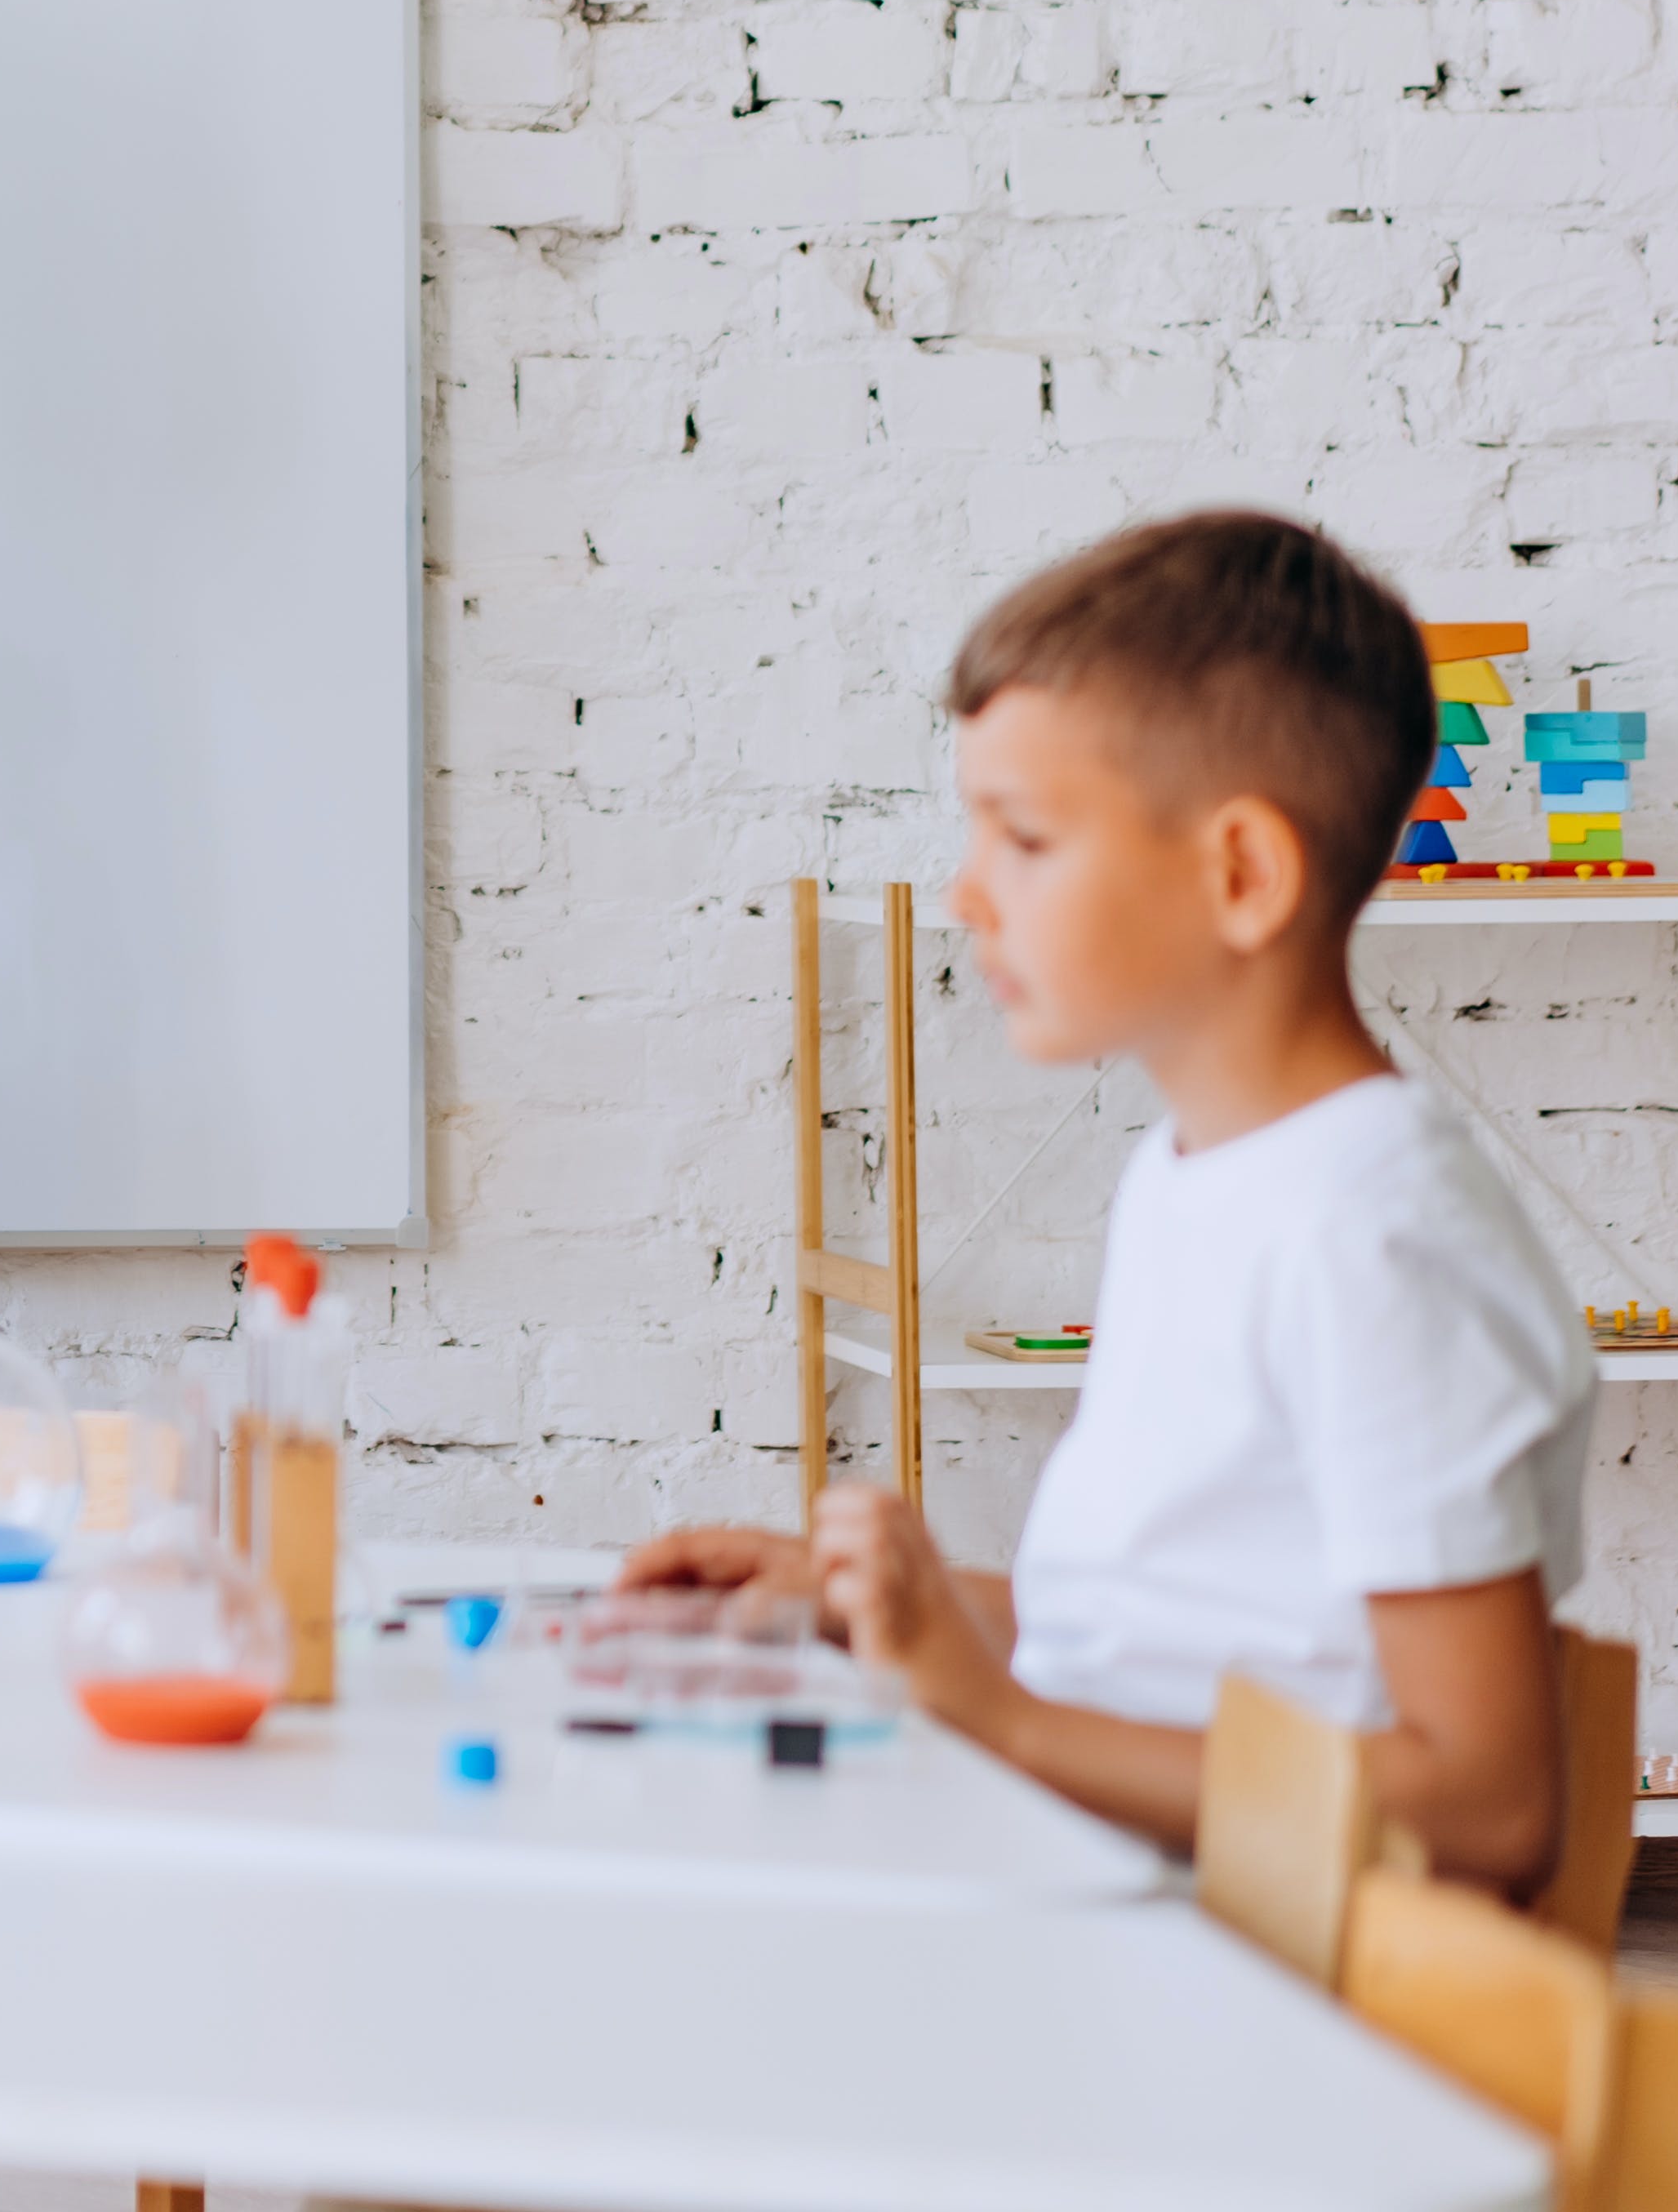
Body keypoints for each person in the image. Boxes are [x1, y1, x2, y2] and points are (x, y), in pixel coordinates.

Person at [631, 511, 1592, 1887]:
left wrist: (1001, 1717)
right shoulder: (1200, 1174)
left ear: (1243, 876)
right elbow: (1171, 1645)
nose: (966, 893)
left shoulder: (1373, 1236)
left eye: (1023, 839)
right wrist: (876, 1611)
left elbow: (1491, 1807)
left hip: (1235, 1991)